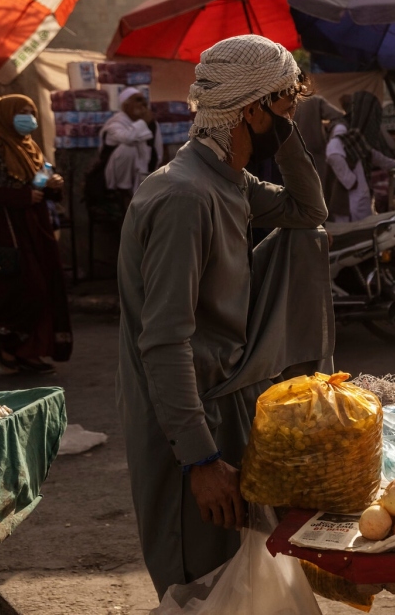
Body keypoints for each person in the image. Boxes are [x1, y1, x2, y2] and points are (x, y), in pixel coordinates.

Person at [116, 35, 333, 598]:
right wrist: (201, 461)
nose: (288, 122)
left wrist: (284, 134)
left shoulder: (228, 181)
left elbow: (310, 212)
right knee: (201, 588)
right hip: (187, 432)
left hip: (222, 408)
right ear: (250, 110)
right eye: (282, 110)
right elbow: (164, 343)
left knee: (241, 588)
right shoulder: (185, 196)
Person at [0, 95, 70, 374]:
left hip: (36, 225)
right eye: (21, 112)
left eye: (31, 112)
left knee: (46, 285)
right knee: (27, 286)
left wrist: (53, 185)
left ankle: (29, 350)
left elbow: (39, 180)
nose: (28, 118)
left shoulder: (30, 146)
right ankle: (5, 341)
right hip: (7, 228)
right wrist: (21, 196)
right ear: (5, 114)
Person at [325, 108, 395, 223]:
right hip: (348, 202)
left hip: (362, 198)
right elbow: (333, 153)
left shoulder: (358, 143)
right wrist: (350, 180)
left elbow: (378, 158)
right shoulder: (341, 135)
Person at [100, 87, 160, 196]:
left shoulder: (150, 124)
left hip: (142, 172)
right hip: (115, 174)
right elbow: (128, 138)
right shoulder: (115, 124)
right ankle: (123, 189)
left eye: (144, 100)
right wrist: (143, 122)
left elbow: (157, 149)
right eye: (138, 100)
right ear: (126, 106)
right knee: (128, 148)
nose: (143, 104)